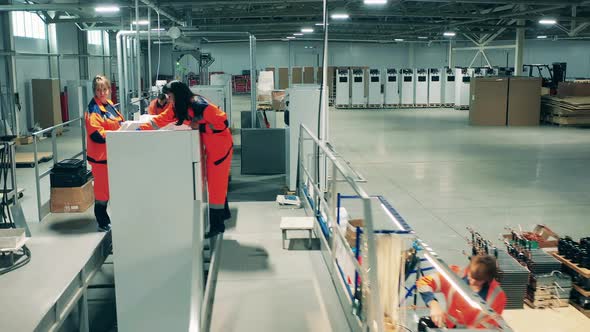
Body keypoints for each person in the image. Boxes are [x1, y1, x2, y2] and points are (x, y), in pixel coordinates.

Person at [139, 81, 233, 238]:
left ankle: (218, 225)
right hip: (210, 147)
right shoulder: (177, 106)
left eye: (170, 96)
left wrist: (201, 127)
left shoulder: (199, 104)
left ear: (178, 94)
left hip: (220, 148)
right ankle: (224, 214)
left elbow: (223, 122)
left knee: (216, 185)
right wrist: (136, 128)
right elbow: (160, 120)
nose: (168, 99)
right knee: (217, 183)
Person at [417, 255, 507, 329]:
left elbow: (489, 326)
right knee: (423, 323)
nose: (472, 282)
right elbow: (424, 283)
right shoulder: (454, 275)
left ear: (488, 279)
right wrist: (433, 304)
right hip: (447, 326)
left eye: (478, 281)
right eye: (470, 276)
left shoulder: (497, 296)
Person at [85, 75, 124, 232]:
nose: (102, 93)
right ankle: (102, 222)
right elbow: (96, 135)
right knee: (102, 192)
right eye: (99, 90)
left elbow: (118, 122)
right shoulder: (93, 110)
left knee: (112, 189)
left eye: (105, 89)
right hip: (101, 158)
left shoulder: (109, 105)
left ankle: (112, 218)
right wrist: (116, 135)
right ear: (95, 91)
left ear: (109, 90)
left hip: (113, 154)